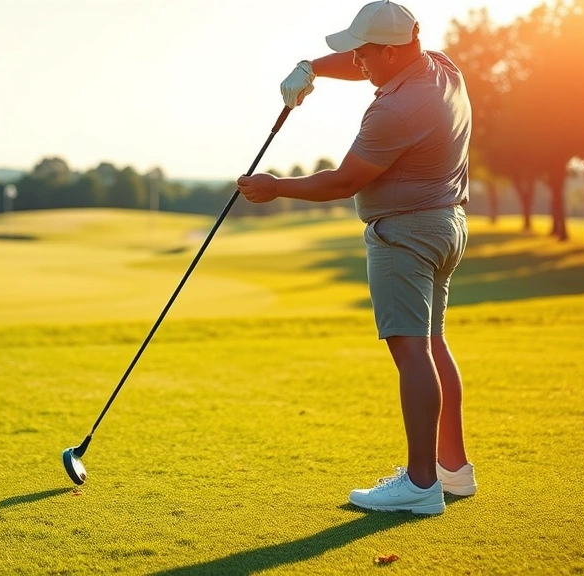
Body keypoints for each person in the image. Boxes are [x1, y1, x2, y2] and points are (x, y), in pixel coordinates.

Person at [237, 0, 477, 514]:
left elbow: (343, 182)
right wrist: (312, 69)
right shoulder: (440, 67)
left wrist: (275, 188)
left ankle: (419, 485)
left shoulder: (393, 110)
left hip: (405, 235)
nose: (358, 61)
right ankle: (452, 471)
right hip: (445, 224)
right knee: (432, 346)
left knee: (411, 353)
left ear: (391, 51)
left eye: (364, 53)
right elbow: (362, 61)